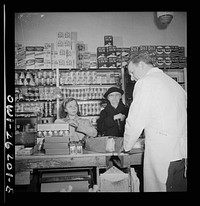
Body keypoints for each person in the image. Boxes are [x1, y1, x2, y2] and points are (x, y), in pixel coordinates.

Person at [119, 52, 187, 192]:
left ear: (142, 65)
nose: (131, 78)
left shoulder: (146, 82)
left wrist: (126, 146)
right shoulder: (173, 83)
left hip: (163, 153)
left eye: (132, 72)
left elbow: (136, 119)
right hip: (181, 152)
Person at [97, 87, 129, 168]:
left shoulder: (127, 110)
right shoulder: (104, 112)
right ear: (108, 98)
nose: (114, 98)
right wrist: (113, 118)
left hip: (125, 145)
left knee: (125, 167)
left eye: (117, 95)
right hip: (109, 146)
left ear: (121, 96)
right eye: (111, 95)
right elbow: (100, 127)